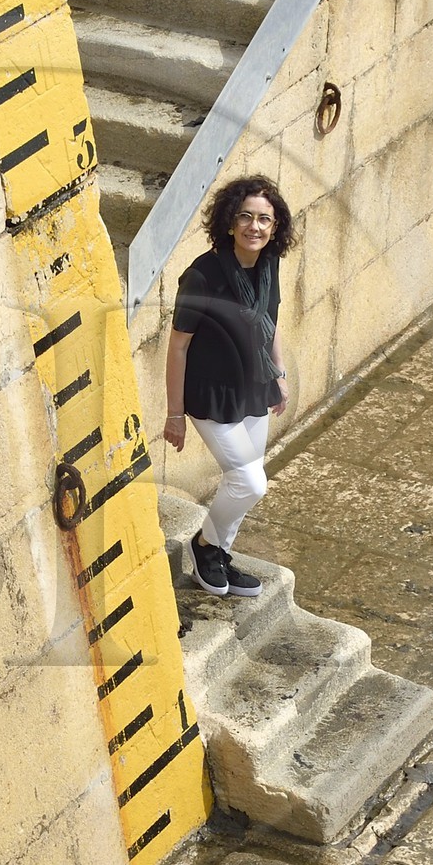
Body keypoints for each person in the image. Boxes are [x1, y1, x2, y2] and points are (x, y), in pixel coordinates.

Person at [160, 173, 293, 598]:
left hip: (255, 389)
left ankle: (218, 553)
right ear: (229, 222)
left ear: (275, 228)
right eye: (246, 217)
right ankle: (204, 547)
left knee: (243, 481)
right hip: (211, 395)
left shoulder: (269, 266)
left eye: (264, 220)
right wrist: (175, 415)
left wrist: (280, 373)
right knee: (251, 482)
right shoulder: (203, 276)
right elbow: (178, 346)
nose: (255, 227)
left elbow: (269, 323)